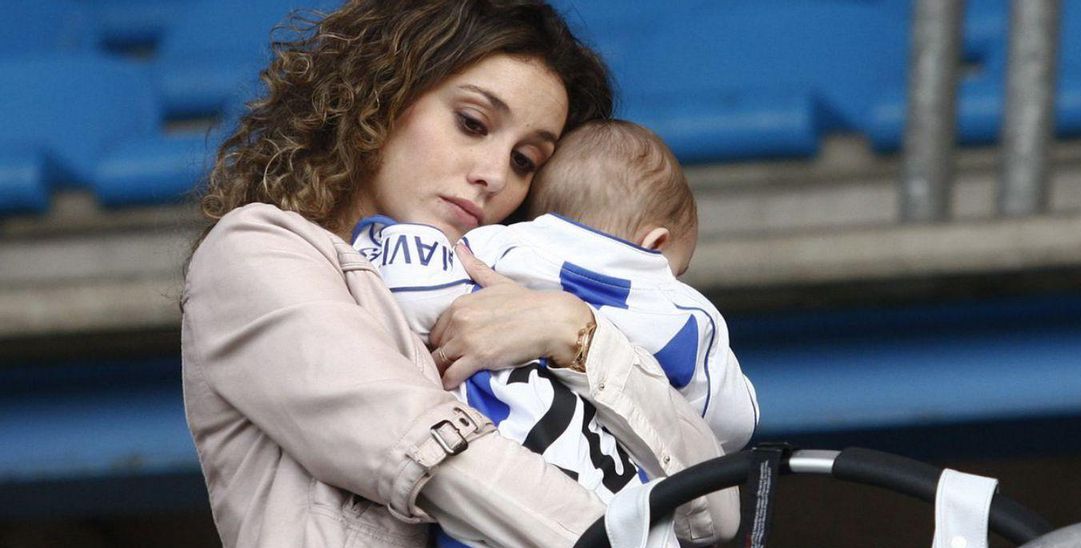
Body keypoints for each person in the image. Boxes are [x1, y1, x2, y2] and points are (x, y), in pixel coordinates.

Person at [181, 1, 737, 546]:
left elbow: (716, 510)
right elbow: (432, 455)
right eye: (473, 123)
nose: (495, 175)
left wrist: (578, 336)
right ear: (381, 97)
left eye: (526, 161)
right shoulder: (256, 251)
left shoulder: (527, 302)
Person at [350, 120, 760, 521]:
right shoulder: (679, 309)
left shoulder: (494, 244)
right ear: (655, 244)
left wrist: (374, 243)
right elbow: (730, 421)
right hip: (598, 498)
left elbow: (414, 287)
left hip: (478, 467)